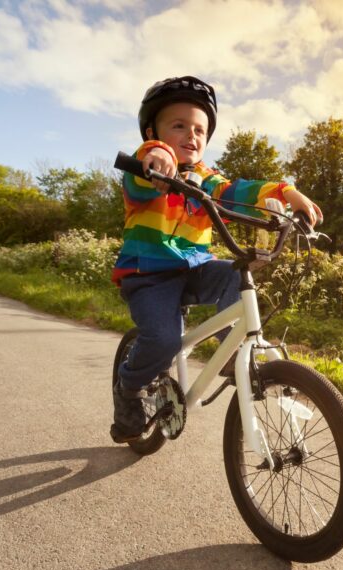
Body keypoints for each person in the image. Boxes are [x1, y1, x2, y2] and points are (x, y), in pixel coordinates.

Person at [110, 75, 321, 443]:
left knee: (232, 274)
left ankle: (231, 351)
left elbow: (237, 190)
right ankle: (129, 387)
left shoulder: (207, 180)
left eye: (199, 130)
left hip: (193, 268)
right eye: (178, 126)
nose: (191, 135)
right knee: (163, 340)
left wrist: (287, 193)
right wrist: (157, 157)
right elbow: (151, 160)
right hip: (149, 276)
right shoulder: (148, 172)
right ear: (151, 132)